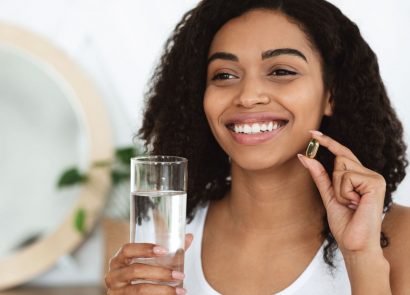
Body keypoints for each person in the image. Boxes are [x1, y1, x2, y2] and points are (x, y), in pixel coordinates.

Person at [105, 0, 410, 294]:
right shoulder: (163, 234)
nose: (248, 96)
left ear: (331, 94)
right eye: (224, 75)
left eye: (281, 71)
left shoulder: (398, 235)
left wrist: (361, 258)